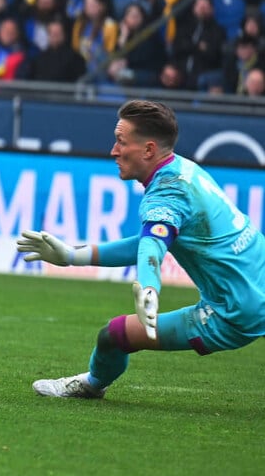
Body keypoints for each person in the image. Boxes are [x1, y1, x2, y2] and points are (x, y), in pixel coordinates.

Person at [17, 100, 265, 399]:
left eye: (121, 141)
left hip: (234, 310)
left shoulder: (166, 193)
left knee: (113, 335)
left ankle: (92, 385)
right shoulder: (184, 168)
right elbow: (147, 241)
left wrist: (149, 288)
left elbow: (153, 245)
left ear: (148, 149)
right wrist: (73, 256)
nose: (113, 150)